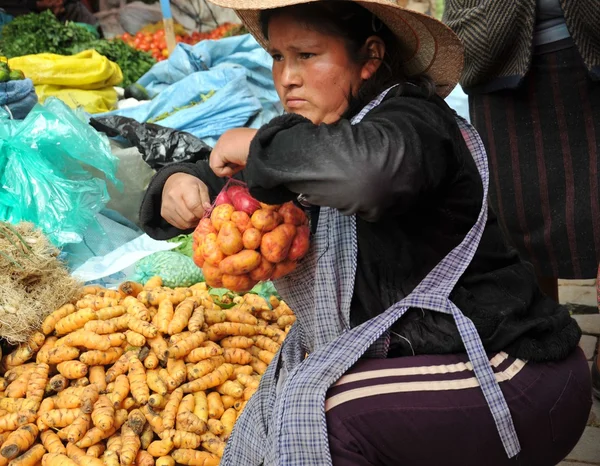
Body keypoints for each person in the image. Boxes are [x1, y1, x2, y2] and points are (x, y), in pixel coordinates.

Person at [139, 1, 591, 465]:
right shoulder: (314, 139)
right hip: (429, 367)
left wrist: (257, 146)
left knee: (322, 418)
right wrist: (175, 184)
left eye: (307, 56)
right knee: (282, 406)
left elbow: (363, 174)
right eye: (278, 57)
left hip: (516, 375)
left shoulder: (414, 122)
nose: (287, 77)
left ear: (370, 55)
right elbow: (239, 173)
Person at [443, 0, 600, 303]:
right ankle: (548, 337)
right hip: (507, 94)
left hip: (591, 75)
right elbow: (463, 45)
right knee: (521, 234)